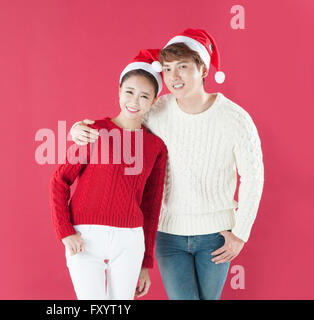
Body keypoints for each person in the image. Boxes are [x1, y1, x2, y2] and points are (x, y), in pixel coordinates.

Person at [69, 29, 264, 300]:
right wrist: (78, 130)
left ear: (203, 69)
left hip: (216, 235)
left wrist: (240, 233)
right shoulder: (157, 111)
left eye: (183, 67)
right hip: (169, 235)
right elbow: (122, 122)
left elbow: (253, 177)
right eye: (168, 68)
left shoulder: (235, 118)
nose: (174, 77)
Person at [50, 49, 168, 300]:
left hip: (130, 241)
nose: (135, 102)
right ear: (118, 90)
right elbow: (59, 180)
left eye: (144, 96)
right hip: (84, 238)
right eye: (129, 92)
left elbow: (151, 205)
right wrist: (65, 231)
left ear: (154, 101)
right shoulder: (93, 131)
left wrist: (146, 264)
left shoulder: (156, 147)